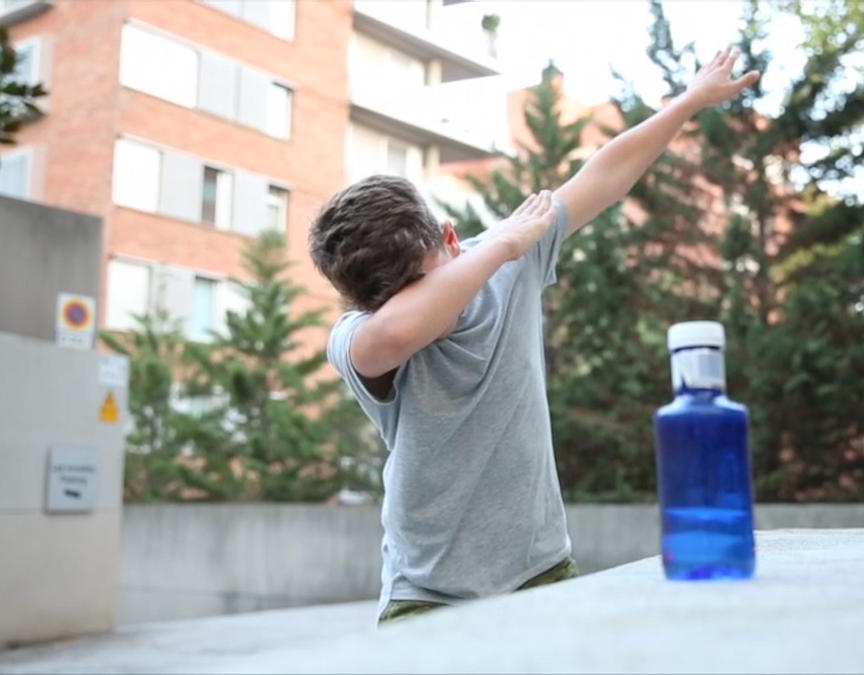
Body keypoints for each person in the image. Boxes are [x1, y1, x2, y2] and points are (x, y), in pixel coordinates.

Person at [310, 47, 760, 625]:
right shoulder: (362, 335)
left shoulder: (511, 258)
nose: (420, 304)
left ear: (449, 237)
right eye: (393, 296)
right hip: (426, 594)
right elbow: (396, 332)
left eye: (421, 281)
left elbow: (605, 174)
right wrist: (500, 245)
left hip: (540, 571)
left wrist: (691, 102)